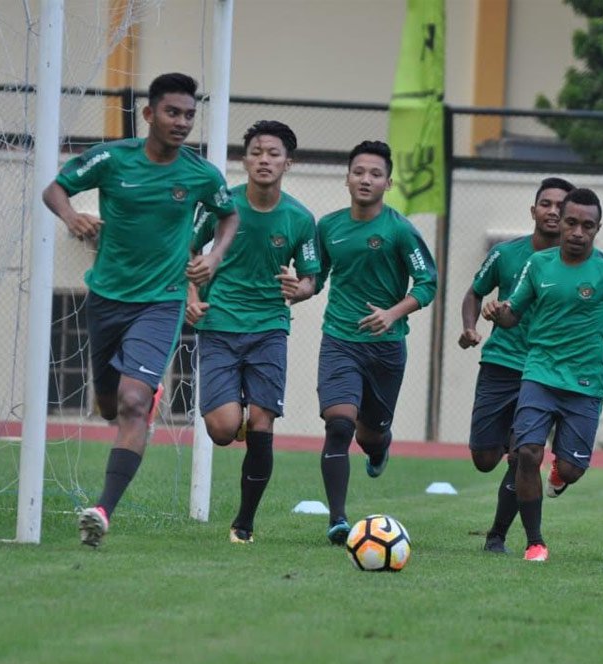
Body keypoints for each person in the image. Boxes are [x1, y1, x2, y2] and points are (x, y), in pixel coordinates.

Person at [42, 72, 240, 547]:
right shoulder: (112, 159)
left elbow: (229, 214)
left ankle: (102, 511)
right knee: (109, 403)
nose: (182, 122)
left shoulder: (200, 173)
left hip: (162, 301)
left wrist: (212, 257)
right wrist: (72, 217)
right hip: (107, 298)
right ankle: (119, 396)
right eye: (173, 112)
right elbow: (54, 189)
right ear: (149, 113)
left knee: (134, 403)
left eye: (190, 115)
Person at [483, 187, 603, 562]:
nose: (578, 232)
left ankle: (561, 474)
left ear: (598, 228)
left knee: (573, 468)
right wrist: (499, 313)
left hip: (585, 384)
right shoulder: (539, 264)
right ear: (560, 222)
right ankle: (535, 542)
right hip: (539, 374)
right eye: (571, 222)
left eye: (587, 226)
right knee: (526, 452)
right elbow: (514, 314)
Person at [187, 120, 319, 544]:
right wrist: (191, 294)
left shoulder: (300, 218)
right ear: (244, 159)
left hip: (269, 328)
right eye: (257, 152)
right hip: (219, 323)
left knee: (262, 422)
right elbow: (186, 247)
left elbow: (312, 278)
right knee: (223, 430)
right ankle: (233, 415)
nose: (265, 160)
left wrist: (298, 290)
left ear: (288, 163)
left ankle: (244, 522)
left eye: (274, 154)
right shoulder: (221, 205)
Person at [315, 140, 438, 545]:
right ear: (347, 177)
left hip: (386, 349)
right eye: (359, 172)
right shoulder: (328, 227)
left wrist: (392, 313)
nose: (365, 179)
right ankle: (337, 519)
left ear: (388, 183)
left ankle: (380, 446)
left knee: (369, 435)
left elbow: (427, 284)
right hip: (339, 339)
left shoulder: (400, 230)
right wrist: (299, 287)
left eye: (375, 174)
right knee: (338, 423)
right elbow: (316, 276)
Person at [458, 177, 574, 554]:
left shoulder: (579, 264)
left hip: (542, 371)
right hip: (499, 364)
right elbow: (475, 292)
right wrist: (471, 328)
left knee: (524, 453)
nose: (554, 211)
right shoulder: (506, 255)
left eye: (561, 205)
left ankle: (498, 536)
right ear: (534, 210)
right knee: (484, 458)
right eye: (547, 203)